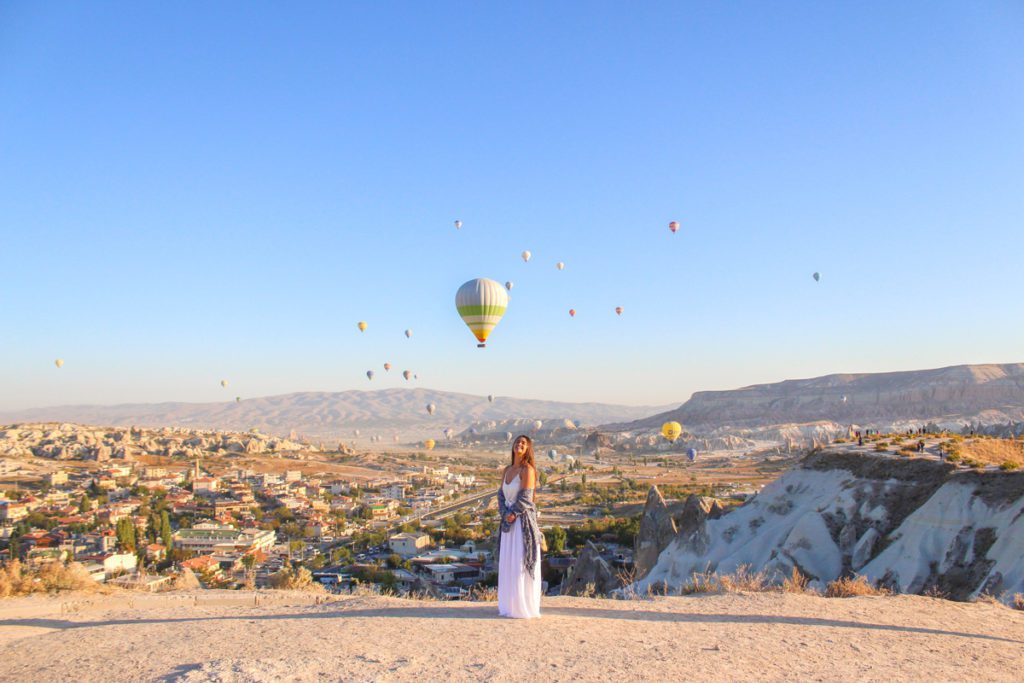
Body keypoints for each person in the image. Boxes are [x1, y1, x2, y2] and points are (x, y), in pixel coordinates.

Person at [495, 434, 542, 619]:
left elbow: (525, 499)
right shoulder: (507, 470)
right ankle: (508, 605)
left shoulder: (527, 470)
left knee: (520, 562)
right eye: (517, 442)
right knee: (508, 562)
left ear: (527, 448)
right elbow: (500, 494)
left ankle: (521, 606)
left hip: (521, 523)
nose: (519, 444)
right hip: (508, 523)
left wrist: (512, 514)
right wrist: (504, 514)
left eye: (523, 443)